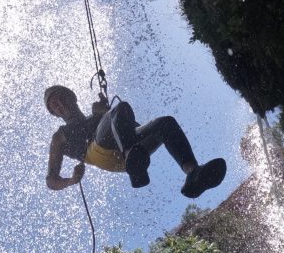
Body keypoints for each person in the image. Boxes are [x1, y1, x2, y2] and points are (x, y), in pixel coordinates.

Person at [44, 85, 227, 198]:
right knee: (119, 109)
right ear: (54, 114)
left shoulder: (98, 114)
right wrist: (71, 180)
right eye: (55, 105)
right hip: (99, 153)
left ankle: (193, 174)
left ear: (72, 97)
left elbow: (129, 125)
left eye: (62, 98)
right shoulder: (60, 136)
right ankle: (132, 156)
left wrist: (103, 111)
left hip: (131, 154)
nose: (60, 104)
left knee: (165, 123)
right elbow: (51, 181)